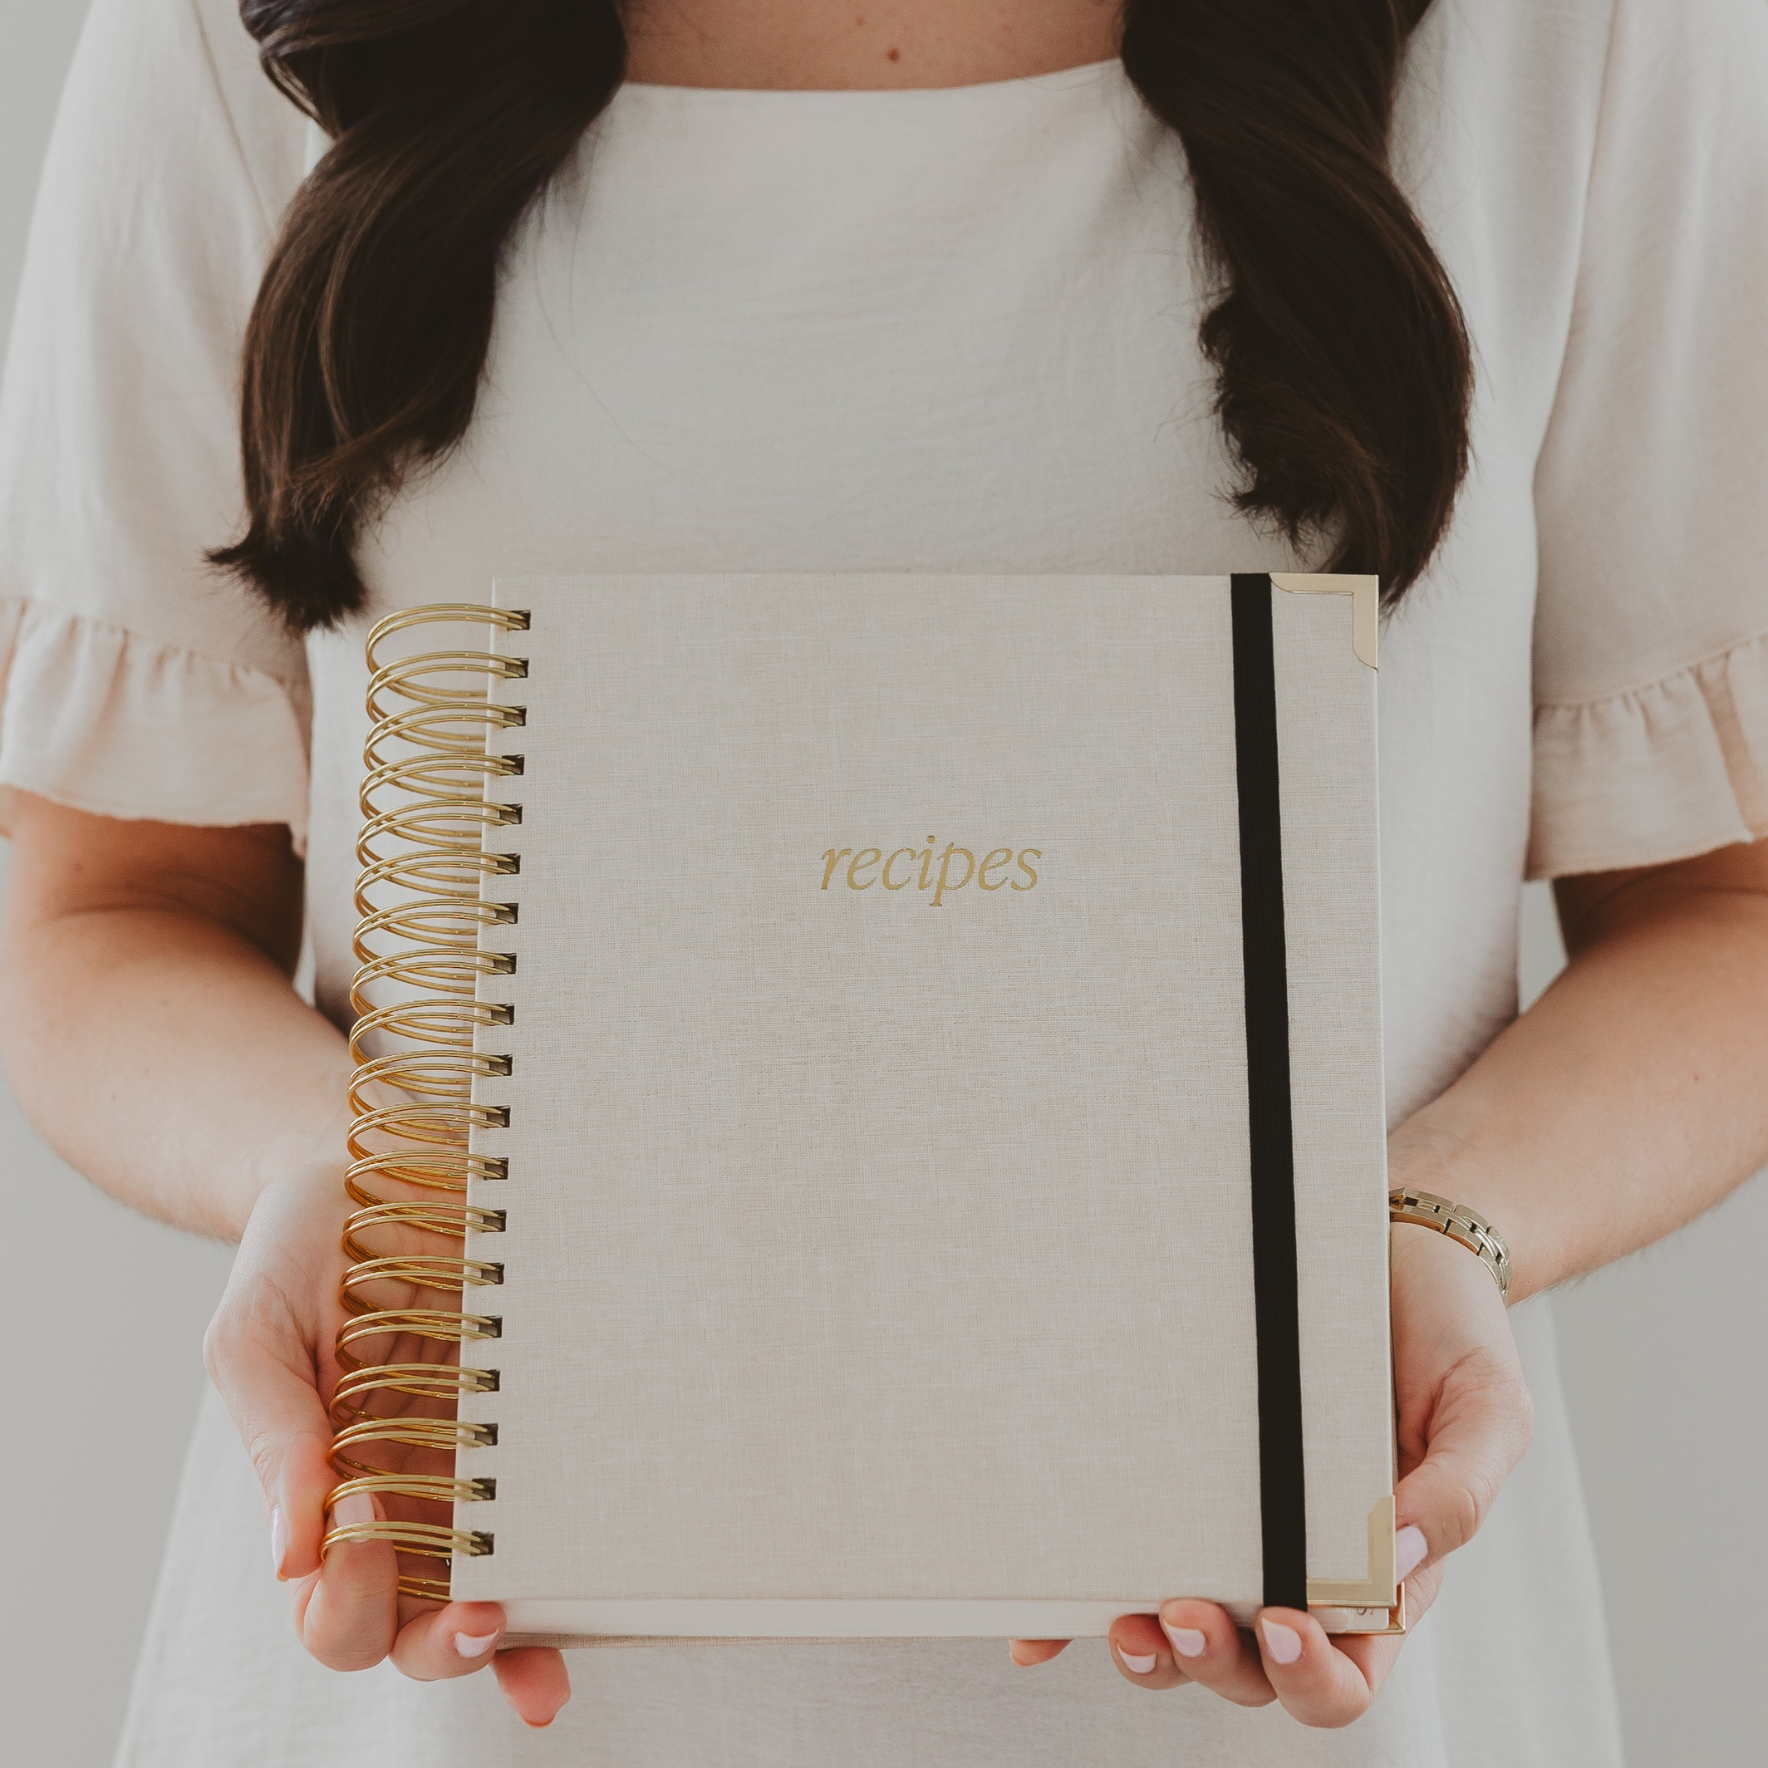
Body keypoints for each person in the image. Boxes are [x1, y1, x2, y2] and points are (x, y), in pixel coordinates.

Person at [2, 0, 1765, 1762]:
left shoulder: (1580, 34)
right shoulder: (237, 29)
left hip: (1323, 1688)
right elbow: (107, 902)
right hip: (432, 1677)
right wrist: (345, 1175)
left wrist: (1433, 1215)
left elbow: (1728, 910)